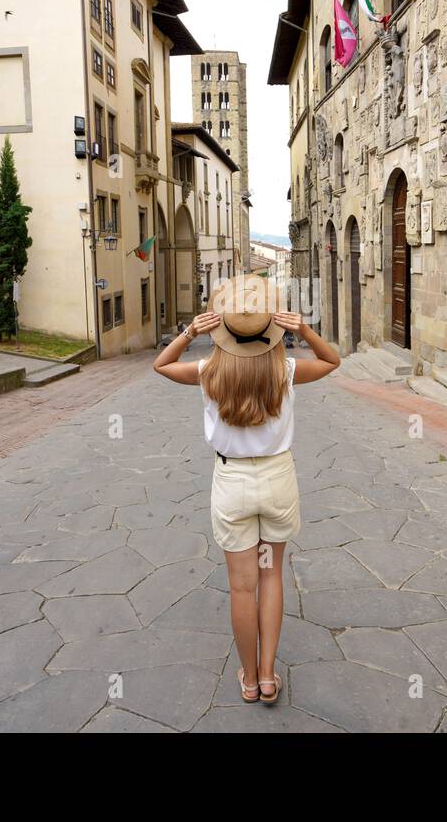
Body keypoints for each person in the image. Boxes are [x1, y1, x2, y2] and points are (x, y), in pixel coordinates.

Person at [153, 274, 340, 704]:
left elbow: (160, 365)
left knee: (242, 587)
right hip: (277, 480)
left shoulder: (207, 371)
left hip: (232, 482)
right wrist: (305, 329)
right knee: (271, 576)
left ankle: (250, 680)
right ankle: (271, 676)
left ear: (221, 329)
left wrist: (188, 332)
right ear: (272, 328)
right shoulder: (287, 369)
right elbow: (333, 362)